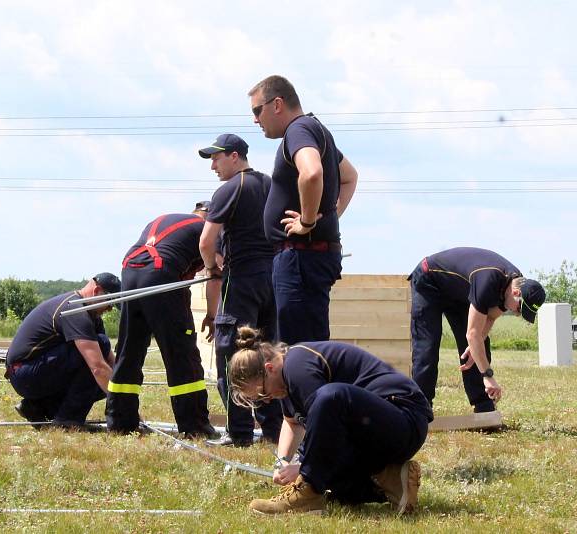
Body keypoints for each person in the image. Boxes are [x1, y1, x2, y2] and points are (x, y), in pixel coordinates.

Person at [229, 327, 432, 515]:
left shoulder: (297, 367)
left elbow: (325, 419)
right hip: (379, 431)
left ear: (270, 368)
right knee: (333, 489)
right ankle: (393, 482)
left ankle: (307, 494)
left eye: (263, 393)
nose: (268, 399)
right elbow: (291, 423)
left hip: (405, 419)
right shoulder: (285, 381)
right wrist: (282, 462)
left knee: (330, 397)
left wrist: (304, 468)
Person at [248, 75, 359, 344]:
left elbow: (311, 173)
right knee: (309, 345)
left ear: (277, 104)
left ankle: (309, 388)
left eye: (256, 110)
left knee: (299, 350)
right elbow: (349, 176)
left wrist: (308, 223)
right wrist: (326, 218)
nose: (255, 120)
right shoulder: (316, 130)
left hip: (300, 256)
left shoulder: (298, 130)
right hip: (308, 256)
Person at [105, 205, 222, 438]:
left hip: (130, 272)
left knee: (129, 351)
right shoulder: (207, 231)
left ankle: (120, 421)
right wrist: (211, 315)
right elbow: (215, 274)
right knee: (181, 352)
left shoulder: (166, 220)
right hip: (160, 275)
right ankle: (195, 426)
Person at [197, 133, 282, 447]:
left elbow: (206, 242)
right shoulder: (273, 185)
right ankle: (274, 429)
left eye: (216, 159)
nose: (213, 167)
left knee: (231, 354)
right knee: (268, 353)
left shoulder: (230, 189)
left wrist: (212, 267)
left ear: (234, 156)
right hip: (274, 279)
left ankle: (240, 432)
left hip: (242, 279)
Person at [409, 247, 547, 412]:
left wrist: (476, 345)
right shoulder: (489, 280)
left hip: (457, 290)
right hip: (429, 280)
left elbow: (490, 317)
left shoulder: (514, 283)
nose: (517, 314)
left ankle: (484, 407)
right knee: (427, 347)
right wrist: (488, 376)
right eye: (519, 309)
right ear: (516, 293)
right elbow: (472, 334)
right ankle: (419, 410)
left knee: (479, 346)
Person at [4, 273, 121, 428]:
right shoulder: (75, 310)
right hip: (24, 373)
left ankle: (37, 408)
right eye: (109, 303)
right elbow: (98, 367)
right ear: (96, 291)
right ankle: (67, 421)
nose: (110, 309)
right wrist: (123, 407)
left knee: (106, 378)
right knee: (97, 362)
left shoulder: (92, 316)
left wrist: (126, 397)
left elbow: (109, 365)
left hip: (34, 371)